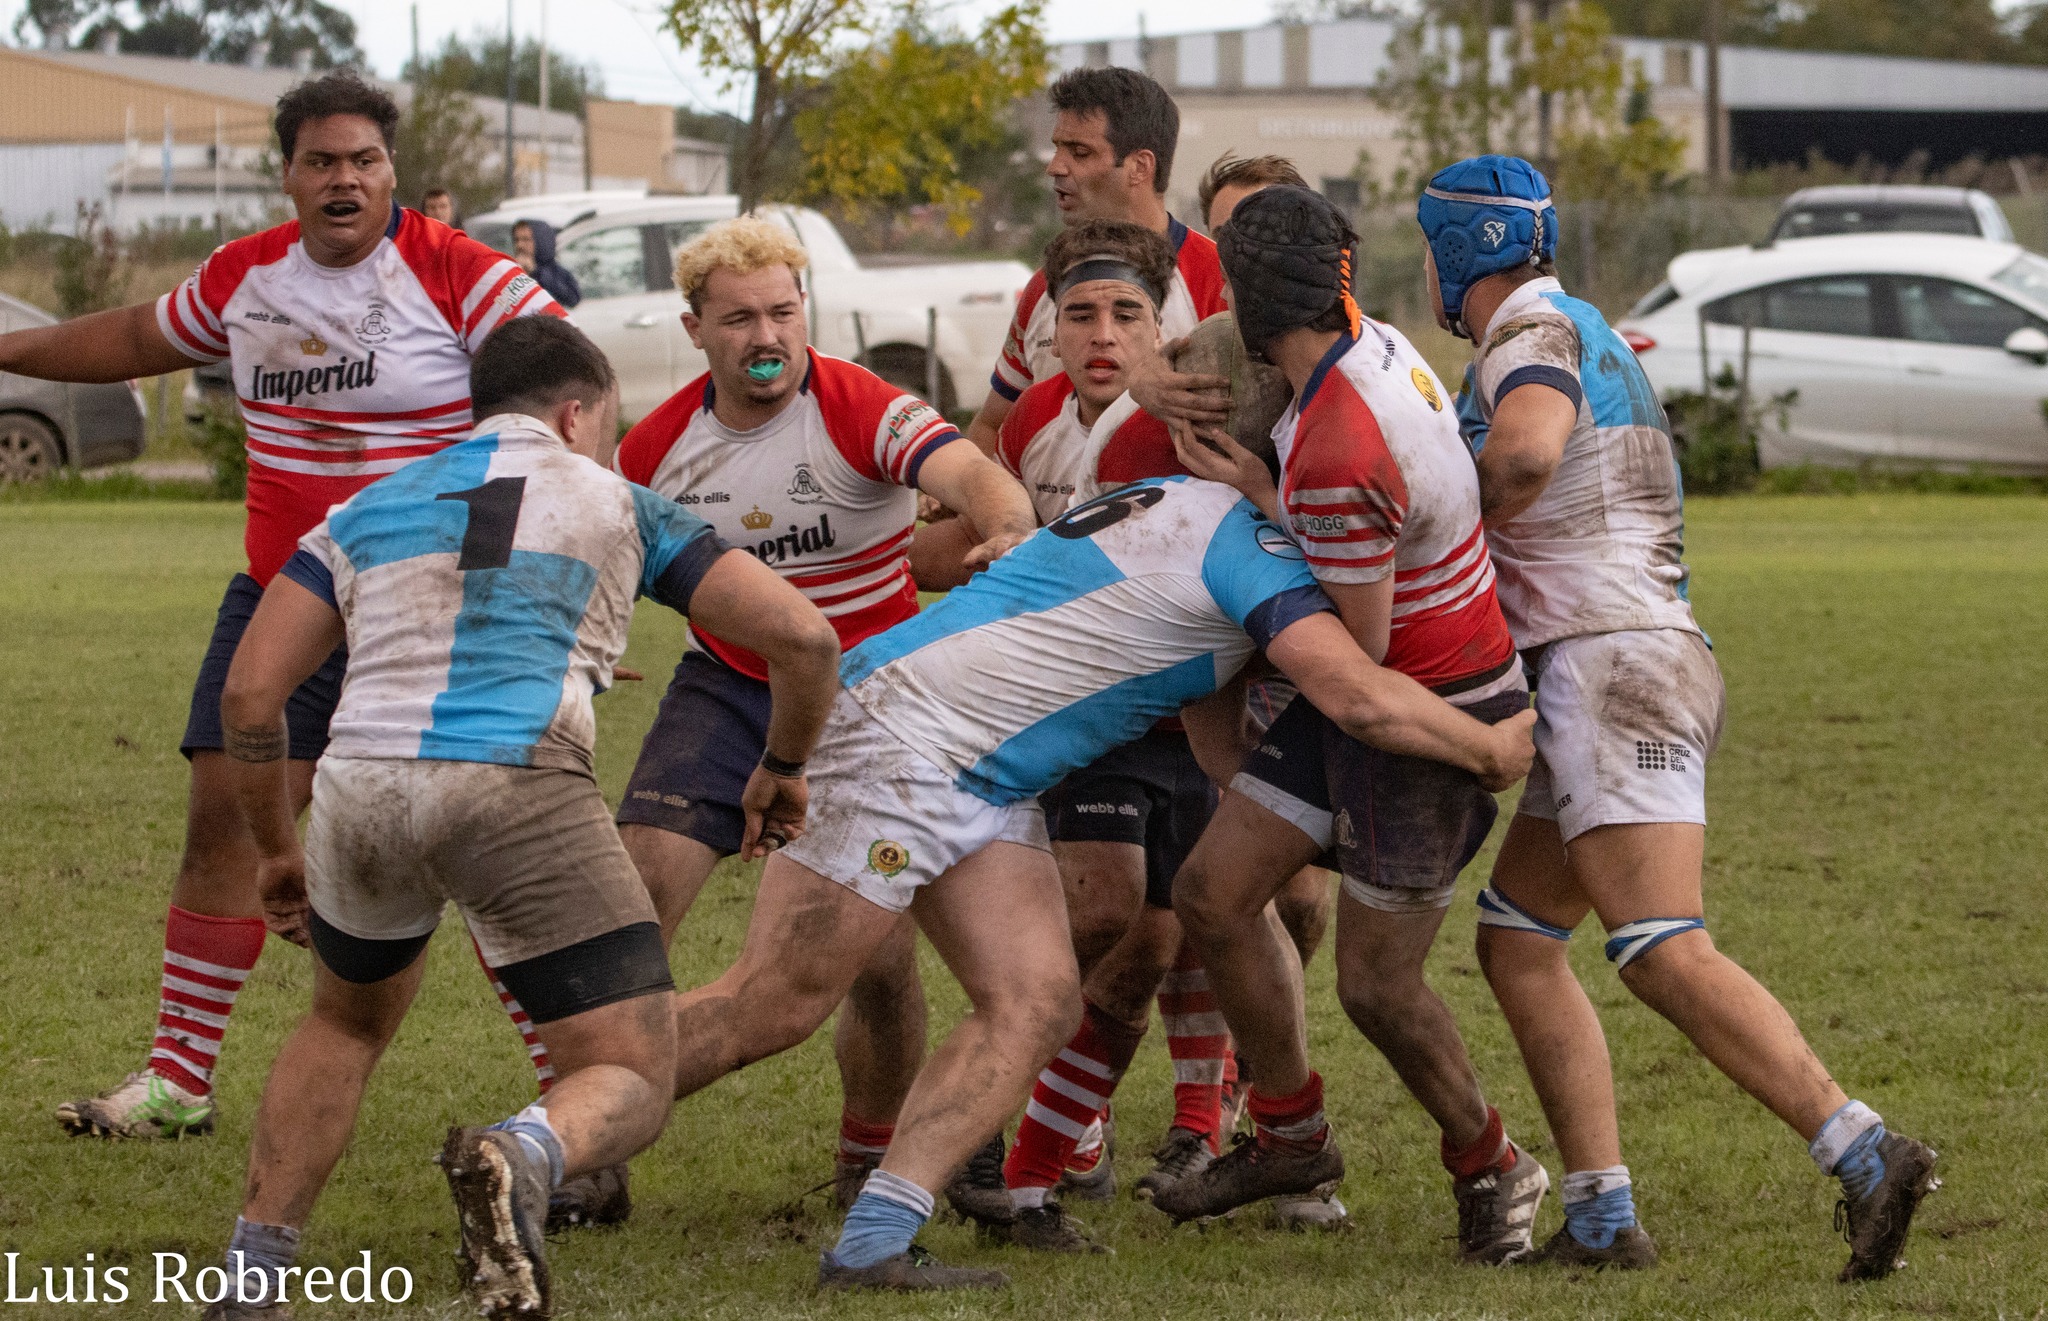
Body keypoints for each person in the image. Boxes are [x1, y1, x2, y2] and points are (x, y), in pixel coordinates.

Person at [664, 471, 1537, 1291]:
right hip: (905, 742)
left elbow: (1220, 751)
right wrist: (1489, 748)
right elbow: (1360, 696)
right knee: (771, 1003)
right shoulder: (1255, 554)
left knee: (1036, 1001)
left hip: (982, 770)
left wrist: (1309, 833)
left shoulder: (1186, 505)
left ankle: (874, 1240)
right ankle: (582, 1109)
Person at [196, 315, 841, 1321]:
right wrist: (784, 767)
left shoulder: (366, 508)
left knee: (343, 1023)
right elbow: (804, 638)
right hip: (516, 781)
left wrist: (278, 849)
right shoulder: (615, 498)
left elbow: (247, 697)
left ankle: (251, 1276)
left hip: (363, 786)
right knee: (630, 1067)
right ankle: (520, 1153)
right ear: (576, 415)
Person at [0, 70, 565, 1143]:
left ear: (392, 171)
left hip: (435, 606)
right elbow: (133, 338)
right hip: (282, 597)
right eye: (322, 161)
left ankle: (566, 1088)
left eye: (365, 160)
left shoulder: (462, 276)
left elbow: (568, 388)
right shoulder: (245, 276)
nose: (345, 179)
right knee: (222, 818)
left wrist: (547, 571)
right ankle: (177, 1081)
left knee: (483, 846)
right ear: (290, 176)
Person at [1425, 155, 1939, 1280]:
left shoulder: (1525, 334)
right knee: (1517, 940)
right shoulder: (1586, 330)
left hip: (1613, 666)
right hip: (1624, 660)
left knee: (1660, 944)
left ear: (1455, 252)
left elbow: (1523, 453)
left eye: (1427, 250)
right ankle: (1601, 1217)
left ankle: (1864, 1150)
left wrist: (1427, 512)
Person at [605, 214, 1038, 1220]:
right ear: (694, 329)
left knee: (876, 964)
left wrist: (1010, 523)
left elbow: (969, 476)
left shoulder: (857, 405)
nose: (766, 336)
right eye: (739, 319)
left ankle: (865, 1156)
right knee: (631, 902)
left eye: (782, 312)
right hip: (728, 684)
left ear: (806, 312)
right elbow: (593, 550)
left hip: (871, 695)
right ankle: (591, 1140)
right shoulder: (655, 446)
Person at [1157, 186, 1547, 1266]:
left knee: (1376, 986)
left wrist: (1255, 500)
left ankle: (1494, 1163)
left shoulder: (1335, 441)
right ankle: (1291, 1138)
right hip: (1385, 692)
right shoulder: (1373, 345)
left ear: (1247, 306)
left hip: (1421, 713)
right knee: (1212, 892)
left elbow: (1356, 648)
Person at [966, 67, 1236, 460]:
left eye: (1079, 152)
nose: (1055, 167)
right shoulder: (1045, 287)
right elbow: (991, 426)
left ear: (1140, 167)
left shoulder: (1220, 282)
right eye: (1058, 148)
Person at [512, 218, 581, 309]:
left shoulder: (558, 273)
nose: (519, 245)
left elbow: (571, 300)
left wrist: (535, 272)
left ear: (541, 240)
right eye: (516, 240)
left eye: (526, 239)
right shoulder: (511, 270)